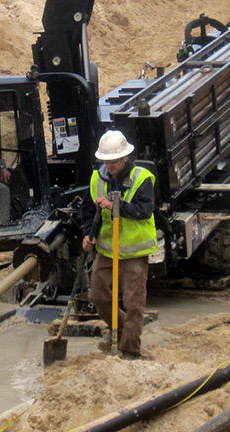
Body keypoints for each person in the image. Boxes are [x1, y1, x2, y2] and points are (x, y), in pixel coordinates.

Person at [80, 130, 156, 361]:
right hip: (106, 250)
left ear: (124, 157)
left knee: (133, 304)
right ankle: (120, 329)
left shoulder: (142, 178)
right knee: (99, 296)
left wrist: (116, 206)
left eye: (113, 161)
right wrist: (87, 234)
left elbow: (144, 211)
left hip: (134, 253)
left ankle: (131, 350)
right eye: (106, 161)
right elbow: (86, 211)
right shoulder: (97, 178)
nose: (109, 166)